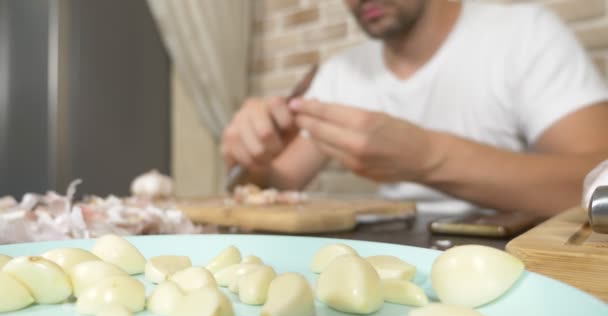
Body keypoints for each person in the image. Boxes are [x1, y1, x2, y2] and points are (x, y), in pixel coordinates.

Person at [221, 0, 608, 216]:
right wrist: (252, 155)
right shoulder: (341, 74)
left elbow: (599, 182)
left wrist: (429, 158)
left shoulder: (525, 34)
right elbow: (272, 185)